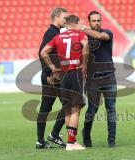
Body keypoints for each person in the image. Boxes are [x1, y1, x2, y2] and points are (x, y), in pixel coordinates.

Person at [40, 15, 89, 151]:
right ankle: (72, 143)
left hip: (64, 76)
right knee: (75, 110)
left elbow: (43, 52)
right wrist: (84, 65)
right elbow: (85, 47)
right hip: (75, 73)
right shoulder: (80, 35)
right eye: (80, 23)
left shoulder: (57, 37)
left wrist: (52, 67)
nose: (82, 26)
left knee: (67, 109)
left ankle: (70, 142)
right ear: (76, 23)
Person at [81, 11, 117, 147]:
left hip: (109, 78)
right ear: (89, 22)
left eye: (98, 20)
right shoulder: (84, 38)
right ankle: (86, 135)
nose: (96, 23)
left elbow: (100, 36)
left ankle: (111, 141)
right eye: (94, 21)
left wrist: (83, 28)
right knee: (92, 110)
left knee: (111, 109)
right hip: (92, 80)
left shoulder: (107, 33)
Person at [36, 7, 68, 149]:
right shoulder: (52, 33)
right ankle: (52, 136)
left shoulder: (55, 32)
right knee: (70, 105)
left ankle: (41, 141)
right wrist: (50, 72)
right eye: (64, 17)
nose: (65, 20)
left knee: (47, 108)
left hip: (53, 77)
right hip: (52, 78)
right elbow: (42, 53)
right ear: (56, 17)